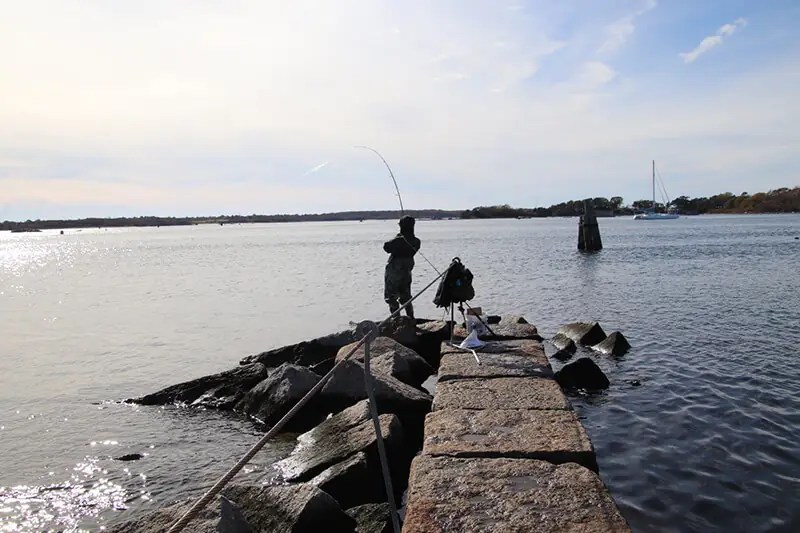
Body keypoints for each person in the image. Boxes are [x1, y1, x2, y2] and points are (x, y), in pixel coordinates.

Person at [383, 215, 420, 318]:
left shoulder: (399, 240)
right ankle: (411, 318)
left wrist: (398, 236)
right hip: (407, 272)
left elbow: (386, 247)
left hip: (394, 272)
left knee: (391, 297)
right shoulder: (417, 242)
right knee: (406, 297)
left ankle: (396, 320)